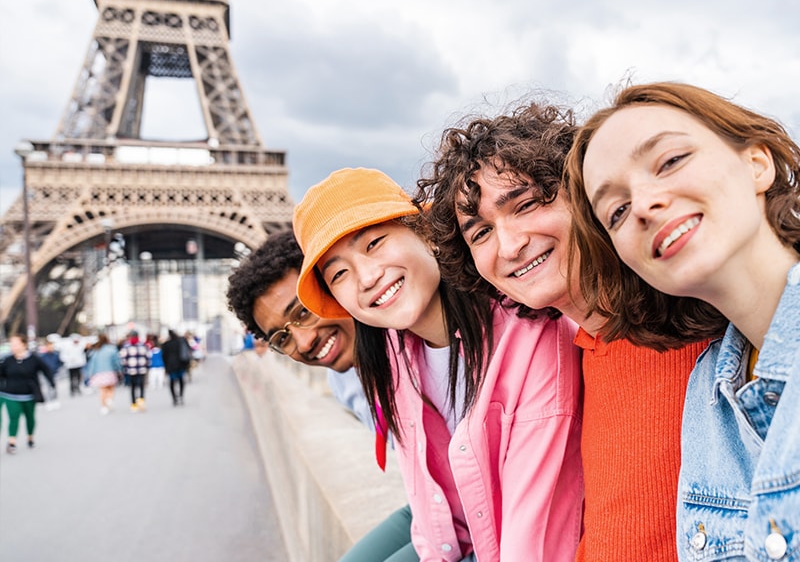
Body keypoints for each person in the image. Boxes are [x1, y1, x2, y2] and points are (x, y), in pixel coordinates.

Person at [415, 99, 717, 561]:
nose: (510, 245)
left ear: (585, 194)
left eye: (528, 204)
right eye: (480, 234)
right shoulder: (576, 356)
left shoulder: (699, 322)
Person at [293, 168, 583, 562]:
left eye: (374, 244)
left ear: (426, 234)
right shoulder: (394, 352)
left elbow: (535, 538)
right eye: (339, 273)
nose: (365, 277)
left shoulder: (528, 334)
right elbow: (427, 504)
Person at [564, 81, 800, 562]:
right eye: (618, 210)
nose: (645, 205)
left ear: (757, 163)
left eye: (670, 161)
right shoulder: (706, 395)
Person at [226, 228, 414, 562]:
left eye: (303, 312)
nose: (303, 342)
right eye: (282, 339)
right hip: (431, 504)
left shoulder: (417, 342)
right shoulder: (342, 381)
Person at [0, 334, 55, 453]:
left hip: (29, 395)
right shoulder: (8, 360)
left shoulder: (34, 359)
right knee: (13, 418)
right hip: (11, 395)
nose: (13, 347)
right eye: (11, 344)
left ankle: (30, 437)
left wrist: (51, 383)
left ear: (23, 344)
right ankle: (12, 442)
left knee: (30, 418)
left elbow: (46, 370)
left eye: (15, 344)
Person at [85, 334, 122, 414]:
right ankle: (109, 400)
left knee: (103, 390)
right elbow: (116, 361)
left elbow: (92, 363)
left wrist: (90, 374)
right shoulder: (112, 349)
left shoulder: (95, 350)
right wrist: (119, 370)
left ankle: (103, 407)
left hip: (99, 373)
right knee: (111, 388)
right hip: (110, 371)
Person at [119, 331, 150, 412]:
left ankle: (134, 404)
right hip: (141, 369)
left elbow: (123, 359)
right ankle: (141, 400)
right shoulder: (143, 345)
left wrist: (125, 368)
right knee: (141, 386)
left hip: (131, 370)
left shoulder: (126, 346)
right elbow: (148, 357)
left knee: (132, 387)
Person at [161, 330, 190, 406]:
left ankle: (174, 398)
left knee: (172, 382)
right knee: (181, 381)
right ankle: (181, 395)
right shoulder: (181, 342)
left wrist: (166, 367)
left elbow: (164, 357)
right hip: (181, 364)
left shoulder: (166, 344)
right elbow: (187, 352)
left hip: (171, 366)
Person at [38, 335, 63, 410]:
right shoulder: (43, 356)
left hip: (54, 373)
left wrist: (57, 368)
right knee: (47, 388)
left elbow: (60, 362)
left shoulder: (56, 355)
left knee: (54, 387)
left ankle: (55, 400)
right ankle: (49, 401)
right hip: (46, 374)